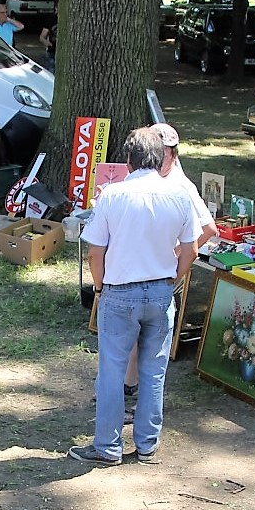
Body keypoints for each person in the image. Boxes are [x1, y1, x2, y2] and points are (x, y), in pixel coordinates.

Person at [69, 126, 199, 467]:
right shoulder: (180, 195)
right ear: (160, 158)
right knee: (154, 372)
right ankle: (147, 446)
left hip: (120, 291)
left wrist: (99, 287)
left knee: (112, 372)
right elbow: (192, 250)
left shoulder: (113, 195)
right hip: (159, 289)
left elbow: (95, 252)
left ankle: (108, 446)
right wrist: (172, 278)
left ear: (128, 160)